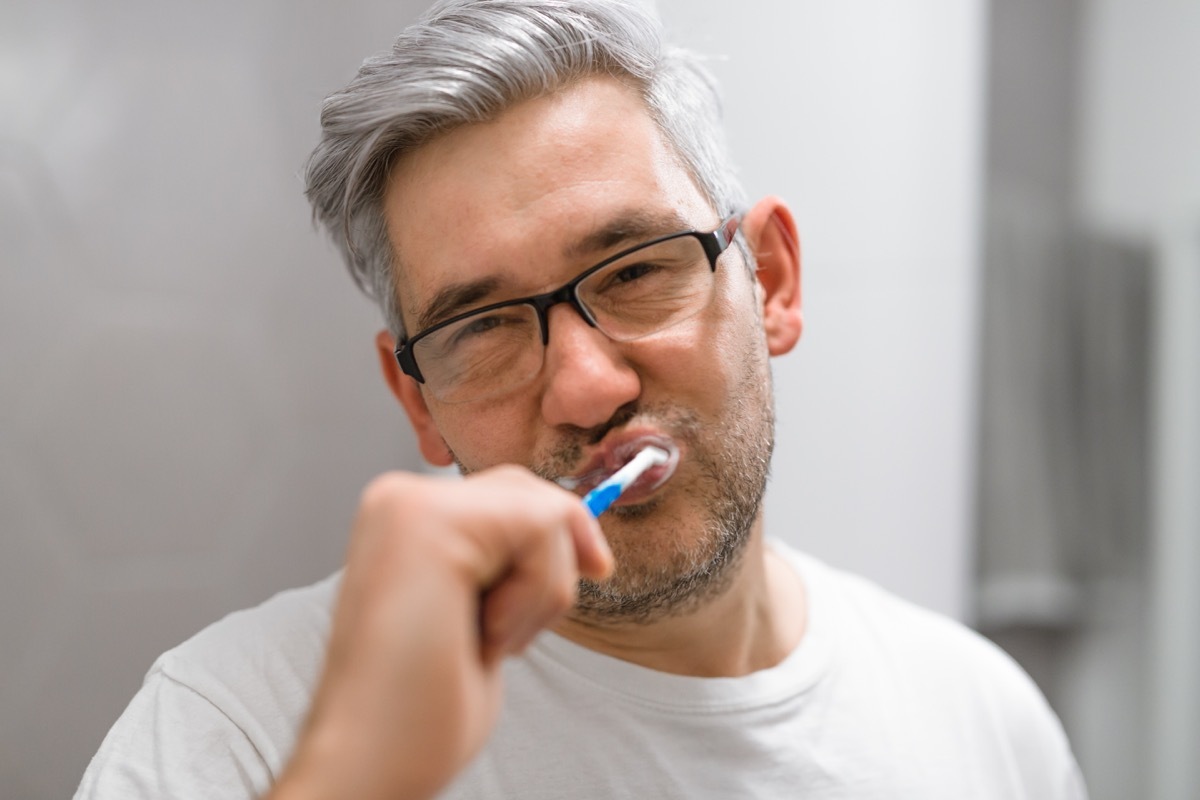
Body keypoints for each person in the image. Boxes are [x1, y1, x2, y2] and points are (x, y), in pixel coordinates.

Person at [76, 1, 1088, 798]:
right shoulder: (233, 729)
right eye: (482, 328)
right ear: (418, 403)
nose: (587, 387)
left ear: (772, 280)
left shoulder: (983, 723)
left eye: (637, 271)